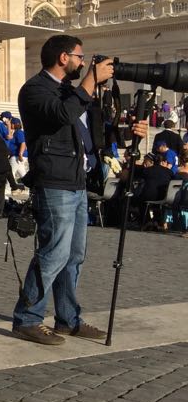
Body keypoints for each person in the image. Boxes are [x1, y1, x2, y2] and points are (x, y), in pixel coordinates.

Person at [11, 34, 147, 346]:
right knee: (53, 252)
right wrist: (89, 81)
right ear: (63, 58)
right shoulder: (35, 89)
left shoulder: (71, 92)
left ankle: (68, 319)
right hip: (54, 182)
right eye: (79, 57)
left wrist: (131, 131)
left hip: (77, 182)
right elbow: (62, 115)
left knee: (73, 255)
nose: (84, 62)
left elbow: (93, 134)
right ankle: (27, 319)